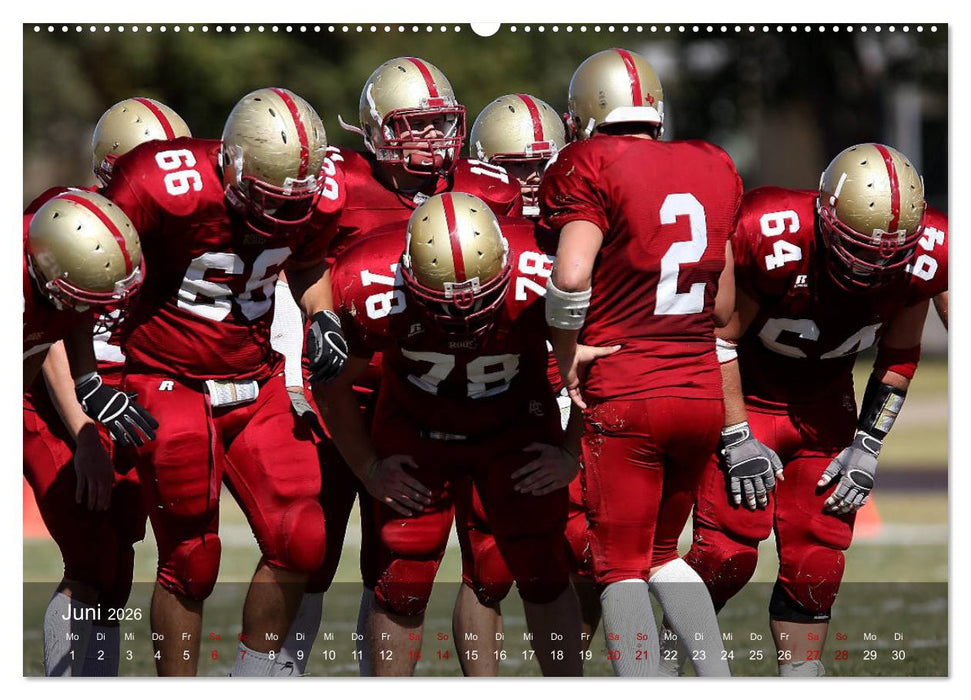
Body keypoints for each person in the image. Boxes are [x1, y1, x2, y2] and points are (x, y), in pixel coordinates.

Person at [275, 56, 522, 676]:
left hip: (426, 392)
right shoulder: (338, 186)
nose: (433, 140)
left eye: (442, 124)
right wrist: (321, 318)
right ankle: (279, 674)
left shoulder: (485, 187)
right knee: (314, 547)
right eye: (414, 125)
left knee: (395, 562)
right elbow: (296, 259)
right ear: (377, 128)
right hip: (343, 385)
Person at [101, 87, 343, 676]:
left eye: (296, 202)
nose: (282, 215)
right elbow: (99, 270)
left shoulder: (318, 195)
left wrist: (323, 313)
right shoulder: (159, 182)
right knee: (192, 557)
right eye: (267, 198)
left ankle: (251, 678)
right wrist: (96, 375)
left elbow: (308, 262)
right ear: (230, 165)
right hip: (168, 375)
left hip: (254, 378)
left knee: (303, 538)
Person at [683, 143, 948, 676]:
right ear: (825, 216)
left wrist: (868, 445)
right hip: (748, 396)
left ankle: (802, 677)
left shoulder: (928, 254)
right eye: (858, 247)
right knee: (726, 555)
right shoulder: (772, 229)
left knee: (818, 557)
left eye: (890, 253)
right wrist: (735, 435)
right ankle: (665, 664)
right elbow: (719, 338)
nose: (874, 263)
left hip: (826, 405)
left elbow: (899, 356)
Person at [316, 192, 583, 676]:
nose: (464, 316)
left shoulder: (545, 269)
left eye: (481, 300)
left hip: (516, 424)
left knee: (544, 568)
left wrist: (571, 451)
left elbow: (596, 367)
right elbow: (332, 384)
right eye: (443, 303)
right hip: (417, 429)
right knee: (403, 576)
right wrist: (369, 469)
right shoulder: (366, 279)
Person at [540, 47, 739, 677]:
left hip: (629, 389)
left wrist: (568, 353)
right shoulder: (713, 164)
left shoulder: (588, 163)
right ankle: (714, 680)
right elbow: (723, 304)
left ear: (587, 115)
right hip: (699, 389)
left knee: (618, 566)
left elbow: (570, 280)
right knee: (663, 552)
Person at [24, 97, 190, 676]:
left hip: (121, 399)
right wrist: (84, 431)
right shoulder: (69, 228)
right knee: (92, 562)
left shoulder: (175, 233)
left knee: (117, 566)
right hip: (56, 399)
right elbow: (48, 338)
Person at [446, 92, 570, 674]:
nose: (531, 181)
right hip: (491, 403)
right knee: (489, 567)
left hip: (570, 397)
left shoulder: (581, 221)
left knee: (586, 557)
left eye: (543, 166)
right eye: (516, 167)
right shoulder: (460, 232)